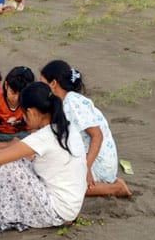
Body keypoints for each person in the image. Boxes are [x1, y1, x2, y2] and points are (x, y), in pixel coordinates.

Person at [0, 82, 87, 232]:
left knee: (3, 164)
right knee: (13, 160)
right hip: (70, 206)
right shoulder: (68, 128)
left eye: (24, 113)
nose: (23, 118)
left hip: (56, 211)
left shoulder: (43, 137)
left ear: (32, 112)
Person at [40, 60, 132, 197]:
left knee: (63, 188)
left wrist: (86, 167)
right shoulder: (64, 102)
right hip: (86, 158)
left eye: (42, 82)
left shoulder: (72, 101)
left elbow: (97, 135)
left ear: (53, 84)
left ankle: (115, 188)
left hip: (97, 162)